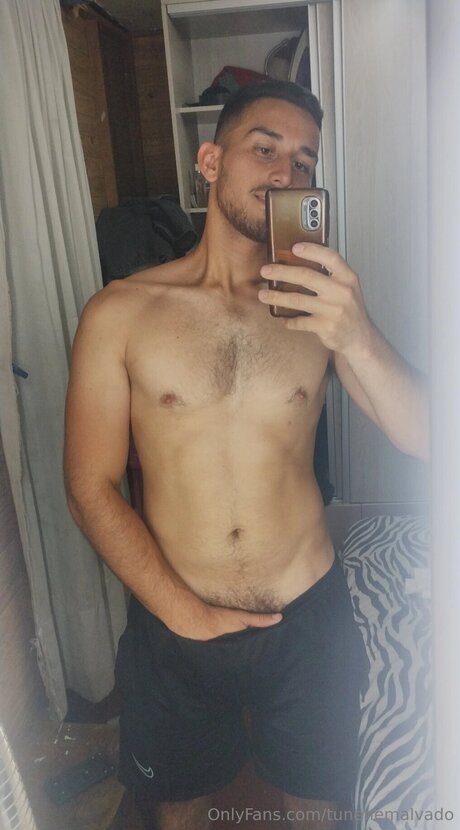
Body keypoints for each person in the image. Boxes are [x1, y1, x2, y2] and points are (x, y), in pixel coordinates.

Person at [64, 80, 429, 830]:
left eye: (304, 162)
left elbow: (427, 437)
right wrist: (185, 614)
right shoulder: (120, 312)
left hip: (308, 615)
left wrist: (357, 332)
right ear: (210, 161)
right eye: (265, 149)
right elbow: (89, 484)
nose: (285, 173)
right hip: (175, 621)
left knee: (319, 810)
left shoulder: (320, 309)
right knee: (180, 812)